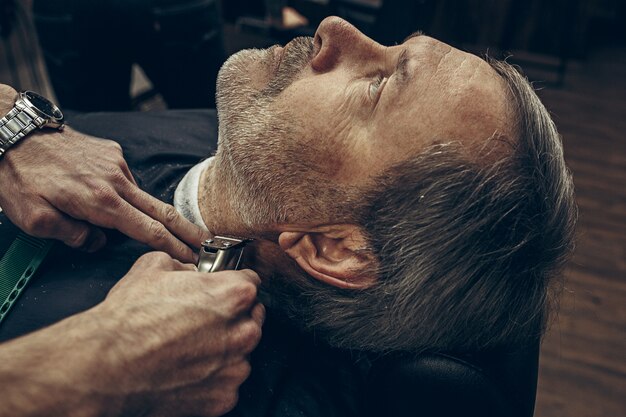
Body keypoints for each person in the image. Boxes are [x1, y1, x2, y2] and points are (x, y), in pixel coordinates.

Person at [0, 15, 576, 416]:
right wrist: (10, 119)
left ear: (335, 249)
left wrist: (80, 373)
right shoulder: (241, 138)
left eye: (375, 88)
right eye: (395, 46)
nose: (334, 28)